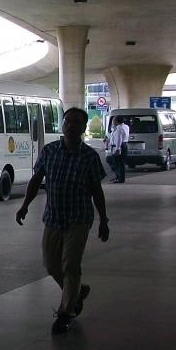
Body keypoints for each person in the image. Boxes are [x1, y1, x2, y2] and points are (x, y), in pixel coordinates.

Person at [16, 106, 109, 334]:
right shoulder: (49, 151)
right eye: (67, 121)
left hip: (78, 218)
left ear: (83, 128)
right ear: (62, 124)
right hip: (53, 217)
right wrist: (25, 205)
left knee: (70, 265)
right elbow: (36, 180)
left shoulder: (89, 156)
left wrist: (103, 220)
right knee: (51, 265)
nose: (71, 126)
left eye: (76, 122)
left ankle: (66, 312)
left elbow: (96, 190)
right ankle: (76, 292)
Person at [106, 115, 130, 183]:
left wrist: (118, 149)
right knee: (120, 163)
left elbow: (119, 139)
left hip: (119, 146)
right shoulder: (126, 126)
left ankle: (120, 178)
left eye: (114, 120)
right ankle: (119, 177)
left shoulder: (119, 128)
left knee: (117, 163)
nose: (113, 122)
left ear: (117, 121)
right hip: (123, 145)